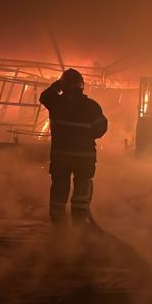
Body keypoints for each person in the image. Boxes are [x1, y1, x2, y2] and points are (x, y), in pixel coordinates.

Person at [39, 69, 108, 227]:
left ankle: (59, 229)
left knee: (59, 190)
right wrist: (85, 136)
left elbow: (44, 96)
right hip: (84, 158)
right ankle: (78, 227)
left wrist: (58, 85)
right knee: (81, 192)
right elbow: (101, 128)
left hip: (61, 157)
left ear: (62, 85)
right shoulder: (91, 106)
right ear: (81, 86)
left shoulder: (56, 103)